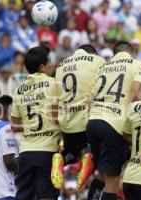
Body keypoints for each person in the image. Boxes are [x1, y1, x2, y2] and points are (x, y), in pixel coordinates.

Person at [86, 41, 141, 200]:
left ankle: (90, 162)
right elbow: (135, 94)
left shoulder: (103, 67)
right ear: (132, 53)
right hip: (113, 124)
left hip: (93, 122)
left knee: (103, 174)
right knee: (113, 179)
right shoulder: (136, 64)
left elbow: (90, 99)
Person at [11, 45, 61, 200]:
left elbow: (14, 126)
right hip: (47, 151)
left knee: (23, 196)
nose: (52, 65)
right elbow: (56, 115)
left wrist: (31, 128)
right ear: (42, 67)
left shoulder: (19, 90)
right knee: (47, 196)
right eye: (49, 63)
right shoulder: (53, 84)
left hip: (25, 153)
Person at [54, 45, 106, 189]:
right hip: (86, 119)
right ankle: (90, 160)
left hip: (66, 122)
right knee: (102, 156)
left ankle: (61, 159)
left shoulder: (61, 66)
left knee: (71, 152)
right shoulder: (97, 60)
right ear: (93, 53)